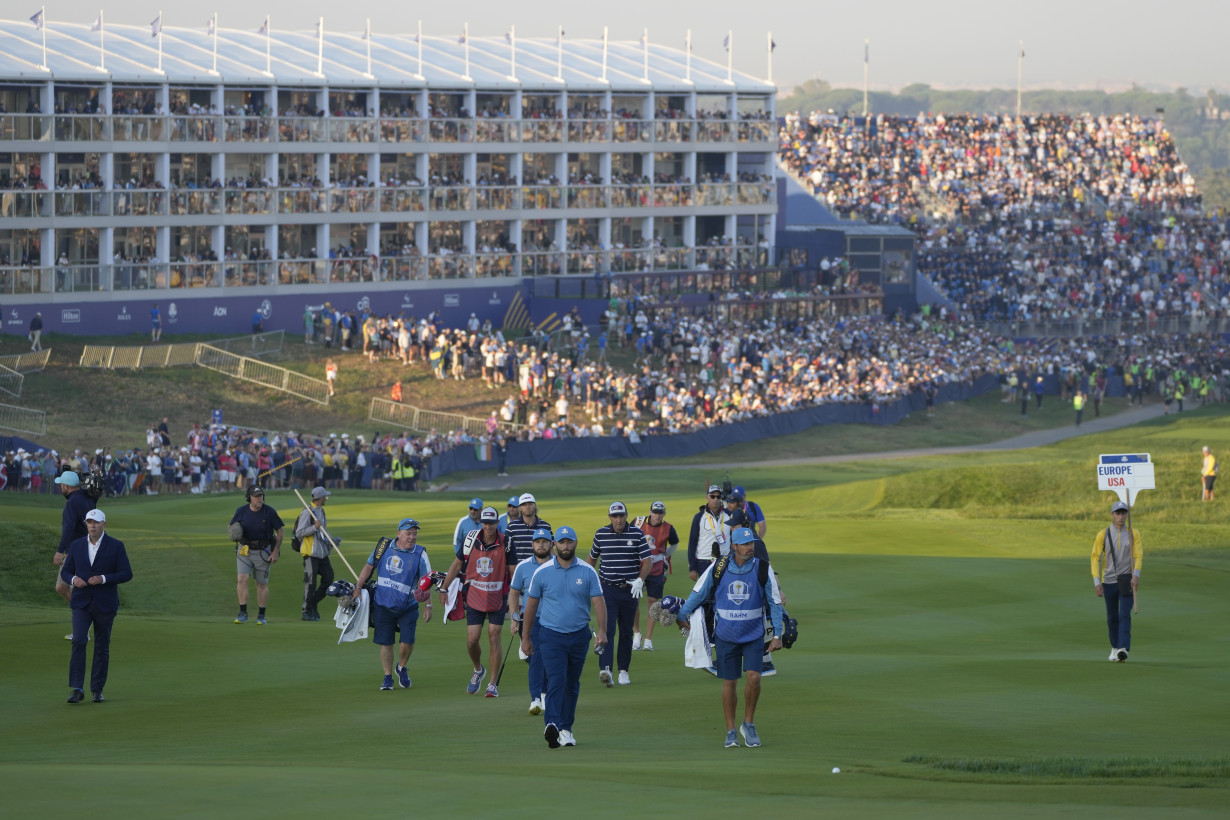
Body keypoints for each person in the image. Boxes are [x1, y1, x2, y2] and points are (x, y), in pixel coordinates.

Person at [677, 527, 784, 747]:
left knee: (754, 678)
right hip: (726, 635)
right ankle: (730, 730)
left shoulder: (763, 567)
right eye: (745, 544)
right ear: (733, 546)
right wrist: (682, 614)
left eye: (751, 543)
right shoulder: (719, 567)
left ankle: (749, 724)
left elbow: (774, 602)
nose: (750, 548)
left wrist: (778, 634)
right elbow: (698, 593)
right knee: (729, 683)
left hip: (754, 634)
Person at [520, 526, 607, 748]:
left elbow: (598, 601)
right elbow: (530, 606)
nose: (565, 546)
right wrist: (526, 637)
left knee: (571, 684)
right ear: (554, 544)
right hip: (550, 636)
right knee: (557, 679)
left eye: (569, 542)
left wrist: (603, 631)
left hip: (579, 635)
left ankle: (566, 729)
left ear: (575, 543)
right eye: (561, 542)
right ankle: (552, 724)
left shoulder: (588, 571)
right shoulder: (543, 572)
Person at [439, 506, 515, 697]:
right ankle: (478, 670)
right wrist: (443, 587)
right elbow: (457, 564)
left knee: (493, 635)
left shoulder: (506, 542)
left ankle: (492, 684)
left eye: (491, 522)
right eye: (485, 522)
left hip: (498, 596)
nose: (488, 526)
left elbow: (513, 571)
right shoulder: (471, 539)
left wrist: (518, 595)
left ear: (498, 523)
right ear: (481, 522)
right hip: (474, 596)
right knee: (472, 640)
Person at [61, 509, 133, 703]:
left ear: (104, 524)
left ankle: (97, 689)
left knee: (102, 646)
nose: (92, 525)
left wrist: (103, 578)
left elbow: (126, 573)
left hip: (105, 603)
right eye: (89, 522)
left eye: (96, 522)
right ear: (86, 524)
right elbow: (66, 572)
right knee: (78, 640)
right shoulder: (76, 546)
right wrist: (74, 579)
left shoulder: (116, 546)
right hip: (82, 602)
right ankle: (77, 688)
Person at [353, 518, 433, 690]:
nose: (412, 537)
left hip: (408, 606)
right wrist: (358, 587)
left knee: (407, 641)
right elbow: (369, 566)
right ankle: (388, 677)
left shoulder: (420, 553)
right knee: (386, 642)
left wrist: (428, 605)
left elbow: (426, 581)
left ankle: (401, 667)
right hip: (383, 603)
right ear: (399, 533)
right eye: (408, 533)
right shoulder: (384, 547)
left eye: (415, 534)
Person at [587, 501, 651, 686]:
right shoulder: (601, 534)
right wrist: (590, 583)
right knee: (607, 629)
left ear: (626, 516)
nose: (618, 519)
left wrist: (640, 579)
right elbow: (591, 560)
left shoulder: (637, 534)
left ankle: (623, 670)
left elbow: (647, 561)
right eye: (614, 516)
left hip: (630, 589)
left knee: (626, 632)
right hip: (607, 589)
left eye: (621, 515)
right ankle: (606, 669)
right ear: (610, 517)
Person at [508, 526, 554, 715]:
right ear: (532, 544)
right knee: (535, 659)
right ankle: (536, 698)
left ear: (551, 544)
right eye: (538, 542)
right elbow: (514, 592)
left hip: (554, 621)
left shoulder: (558, 564)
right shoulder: (523, 566)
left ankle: (544, 694)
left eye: (544, 542)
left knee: (550, 660)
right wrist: (513, 617)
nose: (541, 545)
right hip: (531, 620)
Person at [1092, 500, 1142, 663]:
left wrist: (1136, 575)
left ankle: (1123, 648)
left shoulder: (1134, 533)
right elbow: (1095, 558)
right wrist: (1097, 582)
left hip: (1127, 580)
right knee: (1112, 617)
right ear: (1112, 515)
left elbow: (1138, 556)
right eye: (1118, 513)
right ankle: (1114, 648)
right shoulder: (1103, 534)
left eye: (1123, 513)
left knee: (1124, 615)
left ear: (1127, 514)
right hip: (1109, 581)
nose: (1121, 517)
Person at [228, 485, 284, 625]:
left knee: (261, 583)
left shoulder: (269, 512)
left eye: (261, 496)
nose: (260, 498)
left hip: (263, 551)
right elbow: (231, 526)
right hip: (244, 550)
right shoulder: (241, 511)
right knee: (242, 579)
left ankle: (261, 616)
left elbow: (280, 531)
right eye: (257, 496)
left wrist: (275, 551)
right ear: (249, 498)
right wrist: (234, 532)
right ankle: (243, 613)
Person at [631, 500, 679, 651]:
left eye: (660, 513)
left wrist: (664, 555)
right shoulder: (638, 522)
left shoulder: (668, 528)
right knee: (634, 600)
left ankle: (648, 640)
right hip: (638, 566)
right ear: (650, 512)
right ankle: (637, 634)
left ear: (664, 514)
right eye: (655, 512)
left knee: (653, 602)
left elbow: (675, 543)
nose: (657, 515)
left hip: (656, 567)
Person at [55, 470, 96, 638]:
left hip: (76, 552)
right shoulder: (88, 499)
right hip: (86, 549)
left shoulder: (72, 503)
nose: (60, 488)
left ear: (66, 486)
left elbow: (69, 528)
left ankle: (83, 624)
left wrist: (59, 551)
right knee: (62, 587)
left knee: (70, 588)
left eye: (61, 485)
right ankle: (85, 620)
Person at [295, 486, 336, 621]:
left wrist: (332, 541)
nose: (326, 499)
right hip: (310, 553)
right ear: (320, 498)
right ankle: (306, 610)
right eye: (325, 497)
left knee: (329, 578)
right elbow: (299, 532)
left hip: (322, 553)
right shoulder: (307, 513)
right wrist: (314, 527)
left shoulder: (321, 511)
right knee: (310, 582)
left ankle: (313, 603)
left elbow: (323, 531)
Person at [505, 493, 551, 563]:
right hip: (519, 568)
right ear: (520, 508)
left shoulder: (545, 526)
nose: (527, 507)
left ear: (535, 506)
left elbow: (551, 549)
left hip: (540, 568)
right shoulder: (511, 527)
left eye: (530, 504)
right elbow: (506, 550)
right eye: (524, 504)